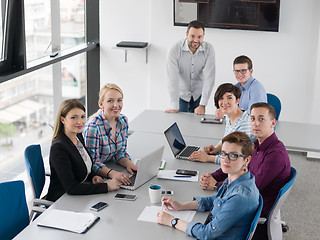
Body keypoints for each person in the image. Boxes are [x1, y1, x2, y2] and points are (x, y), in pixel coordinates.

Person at [201, 103, 291, 240]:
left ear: (273, 122)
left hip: (252, 210)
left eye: (261, 119)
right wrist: (213, 176)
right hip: (245, 201)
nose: (255, 124)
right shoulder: (257, 144)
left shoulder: (275, 154)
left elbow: (252, 189)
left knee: (201, 227)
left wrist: (215, 186)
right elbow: (235, 161)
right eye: (253, 118)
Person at [157, 131, 259, 240]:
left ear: (247, 160)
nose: (225, 159)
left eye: (233, 155)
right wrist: (181, 206)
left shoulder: (239, 197)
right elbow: (216, 200)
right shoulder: (238, 178)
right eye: (223, 153)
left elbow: (207, 233)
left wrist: (173, 221)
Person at [46, 99, 121, 202]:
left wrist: (93, 176)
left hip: (78, 195)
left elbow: (82, 164)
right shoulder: (59, 148)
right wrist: (106, 186)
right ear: (63, 120)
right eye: (73, 117)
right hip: (62, 201)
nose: (80, 122)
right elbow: (71, 188)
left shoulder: (78, 136)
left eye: (82, 116)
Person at [83, 83, 137, 186]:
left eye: (119, 100)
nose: (116, 105)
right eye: (110, 101)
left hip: (111, 168)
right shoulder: (93, 128)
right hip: (95, 178)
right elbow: (92, 163)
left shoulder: (123, 121)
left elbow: (120, 152)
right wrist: (113, 174)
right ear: (101, 104)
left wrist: (130, 164)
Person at [189, 83, 255, 163]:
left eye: (229, 98)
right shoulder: (229, 116)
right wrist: (216, 148)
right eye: (221, 98)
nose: (224, 102)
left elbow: (236, 158)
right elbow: (227, 138)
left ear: (237, 100)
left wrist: (208, 158)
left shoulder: (244, 124)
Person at [165, 20, 215, 115]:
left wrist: (203, 105)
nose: (196, 40)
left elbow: (210, 78)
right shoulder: (175, 50)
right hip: (181, 95)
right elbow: (172, 79)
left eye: (199, 37)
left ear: (203, 35)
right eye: (192, 36)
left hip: (198, 95)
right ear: (187, 34)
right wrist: (175, 107)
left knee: (197, 126)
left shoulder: (209, 49)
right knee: (180, 124)